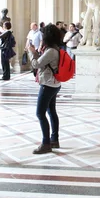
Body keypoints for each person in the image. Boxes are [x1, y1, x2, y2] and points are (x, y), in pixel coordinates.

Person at [31, 24, 62, 154]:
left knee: (40, 113)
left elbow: (36, 64)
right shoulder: (55, 48)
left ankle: (46, 143)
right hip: (55, 83)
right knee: (51, 111)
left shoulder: (51, 51)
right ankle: (54, 139)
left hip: (48, 84)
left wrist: (32, 53)